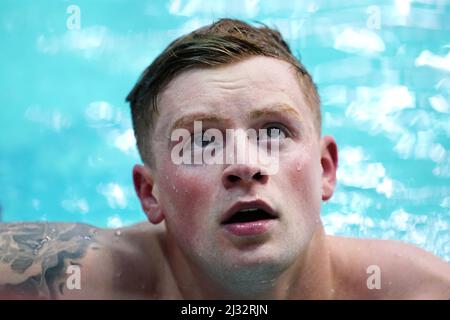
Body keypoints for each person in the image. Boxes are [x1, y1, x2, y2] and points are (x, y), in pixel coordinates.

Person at [0, 18, 449, 300]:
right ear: (148, 194)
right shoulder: (70, 279)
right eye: (199, 141)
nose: (243, 165)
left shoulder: (420, 290)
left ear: (325, 169)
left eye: (274, 131)